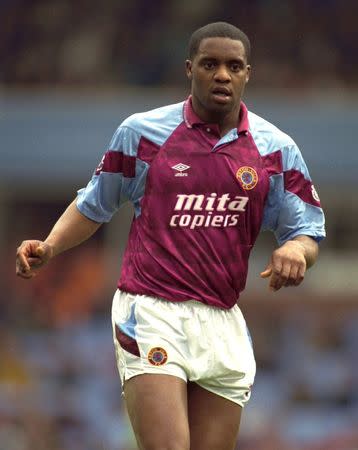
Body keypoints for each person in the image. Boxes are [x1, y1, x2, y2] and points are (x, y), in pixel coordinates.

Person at [16, 22, 325, 450]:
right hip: (152, 311)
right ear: (189, 69)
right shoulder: (143, 133)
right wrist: (50, 245)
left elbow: (307, 229)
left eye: (233, 66)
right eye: (210, 64)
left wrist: (296, 249)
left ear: (247, 74)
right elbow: (93, 204)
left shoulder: (277, 149)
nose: (222, 75)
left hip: (222, 321)